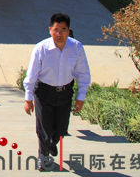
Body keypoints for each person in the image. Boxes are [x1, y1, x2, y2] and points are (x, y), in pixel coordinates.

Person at [23, 13, 91, 171]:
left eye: (63, 30)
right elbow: (31, 75)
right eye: (56, 30)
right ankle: (43, 156)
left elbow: (83, 73)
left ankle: (52, 143)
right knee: (44, 128)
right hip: (44, 92)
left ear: (69, 30)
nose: (59, 34)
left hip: (65, 92)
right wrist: (28, 99)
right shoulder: (41, 48)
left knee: (61, 129)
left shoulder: (76, 47)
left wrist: (81, 97)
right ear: (50, 30)